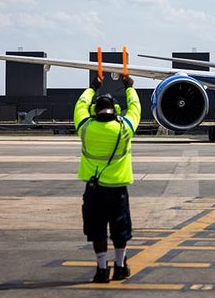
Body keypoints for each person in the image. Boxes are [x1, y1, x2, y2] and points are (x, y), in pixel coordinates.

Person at [73, 74, 141, 283]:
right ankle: (120, 267)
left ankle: (101, 270)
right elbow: (135, 108)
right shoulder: (123, 129)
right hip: (117, 190)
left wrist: (92, 87)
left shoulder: (85, 128)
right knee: (120, 231)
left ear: (95, 111)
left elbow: (80, 106)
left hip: (94, 191)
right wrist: (129, 87)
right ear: (116, 110)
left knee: (97, 231)